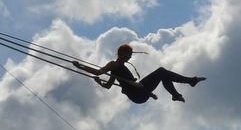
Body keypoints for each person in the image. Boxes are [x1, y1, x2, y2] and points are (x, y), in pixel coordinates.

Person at [72, 44, 206, 104]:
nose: (130, 58)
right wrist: (81, 66)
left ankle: (176, 95)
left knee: (163, 74)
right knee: (161, 71)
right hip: (136, 94)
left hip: (140, 94)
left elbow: (107, 86)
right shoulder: (113, 65)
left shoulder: (119, 69)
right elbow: (98, 72)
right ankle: (190, 81)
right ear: (122, 54)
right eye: (128, 55)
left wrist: (100, 82)